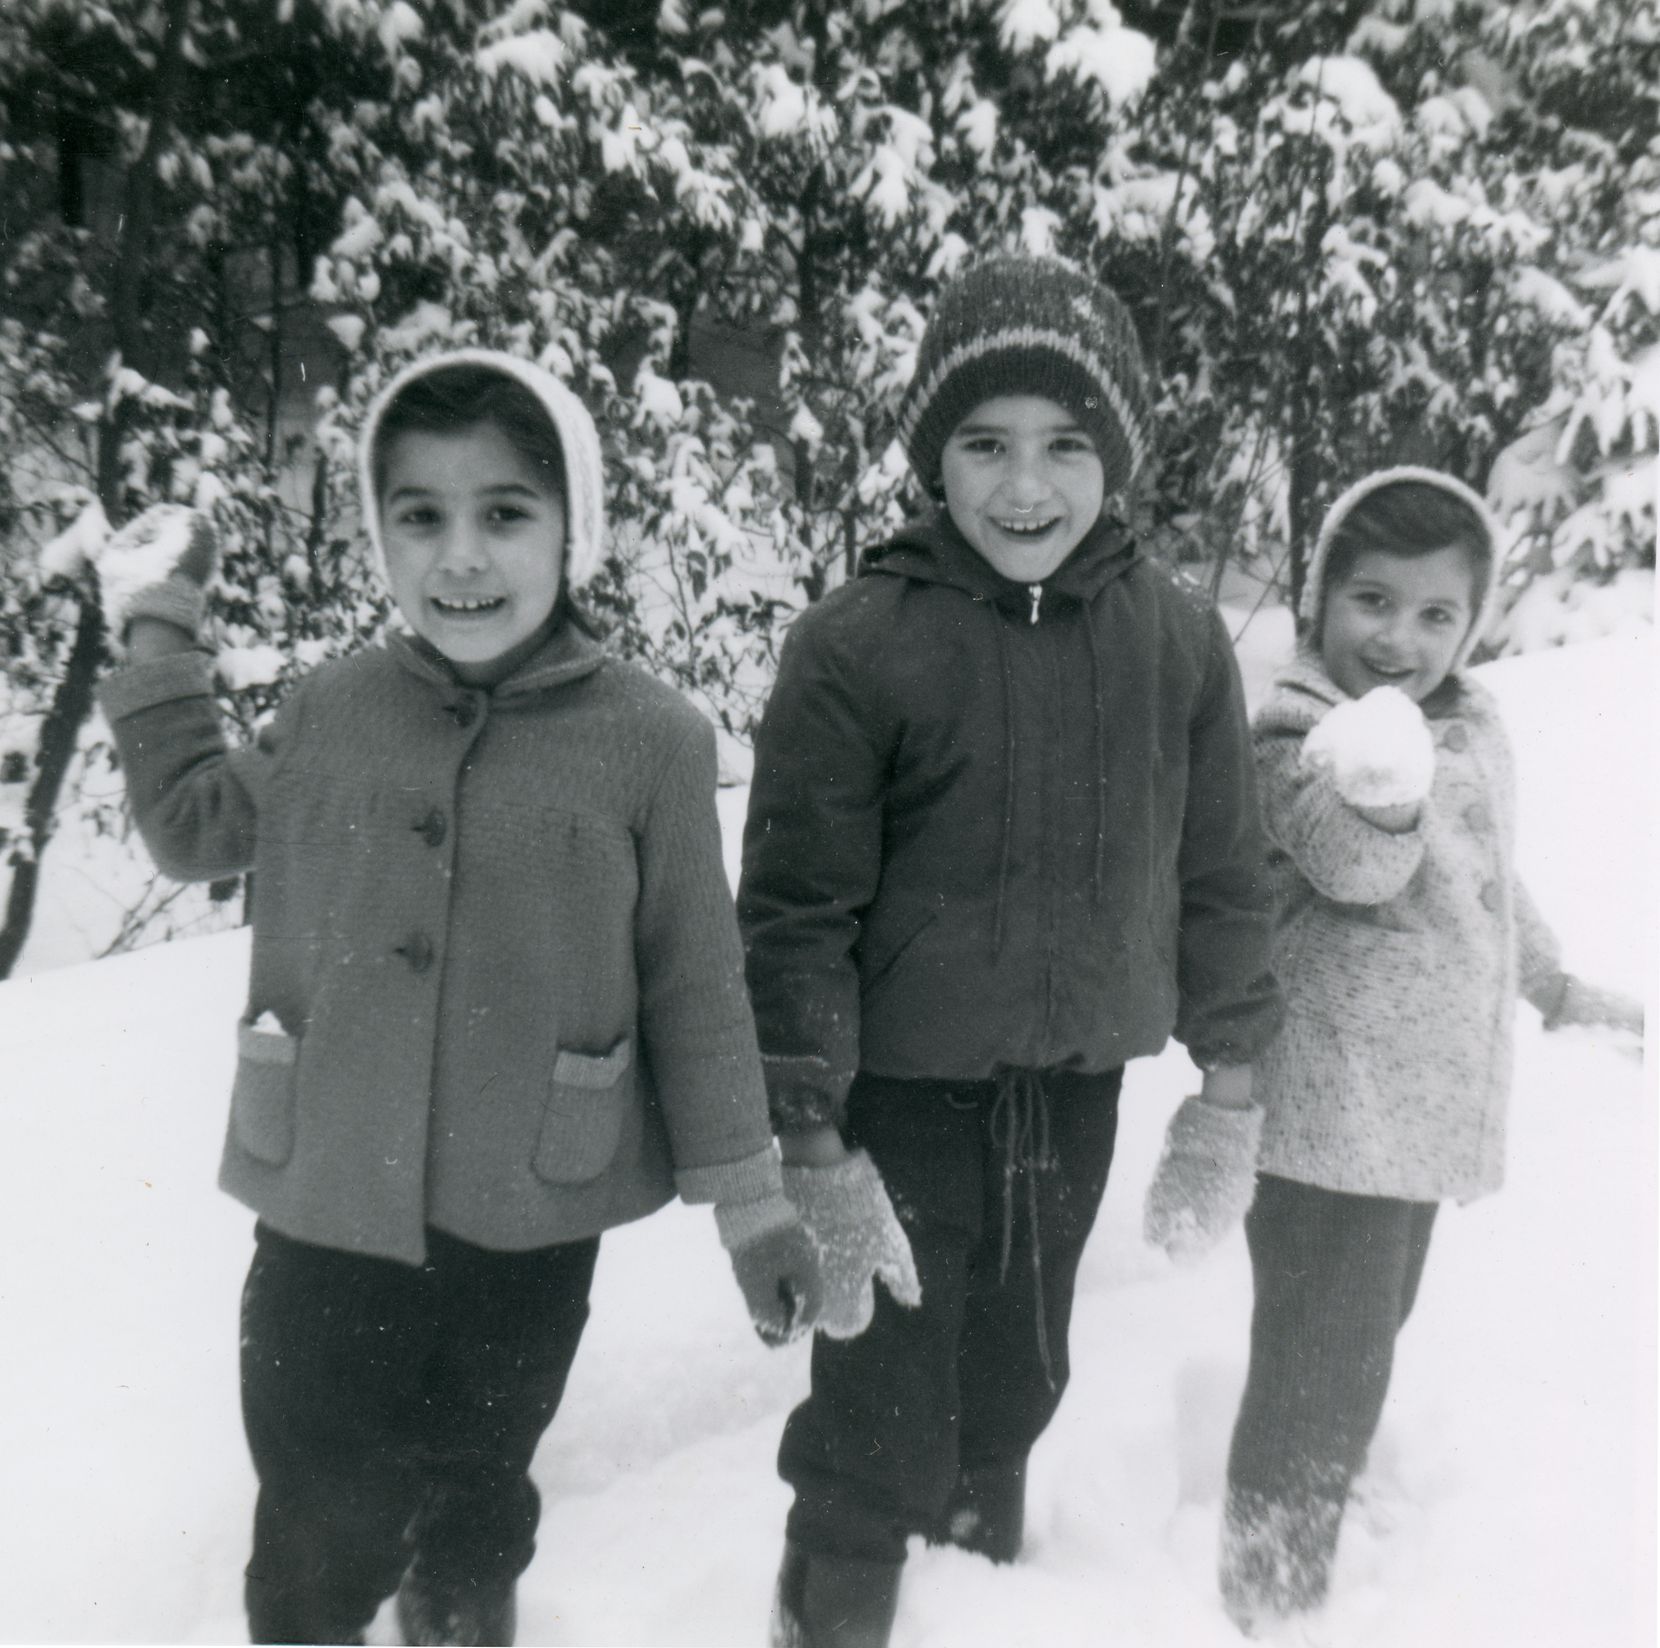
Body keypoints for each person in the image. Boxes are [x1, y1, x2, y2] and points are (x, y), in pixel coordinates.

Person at [89, 348, 823, 1646]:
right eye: (419, 515)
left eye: (504, 513)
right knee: (316, 1502)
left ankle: (458, 1612)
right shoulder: (330, 712)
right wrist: (158, 629)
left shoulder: (651, 742)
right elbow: (197, 824)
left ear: (571, 529)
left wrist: (753, 1207)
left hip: (532, 1222)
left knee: (480, 1481)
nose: (460, 556)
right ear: (380, 533)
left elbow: (697, 990)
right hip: (326, 1207)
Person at [738, 253, 1284, 1647]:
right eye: (985, 444)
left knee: (1021, 1372)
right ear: (935, 458)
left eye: (1065, 444)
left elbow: (1222, 874)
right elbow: (795, 908)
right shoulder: (857, 646)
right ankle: (837, 1609)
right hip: (899, 1108)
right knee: (882, 1392)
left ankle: (984, 1592)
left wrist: (1232, 1090)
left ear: (1121, 456)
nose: (1025, 486)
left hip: (1077, 1091)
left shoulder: (1176, 643)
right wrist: (806, 1136)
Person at [1145, 466, 1645, 1635]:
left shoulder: (1463, 721)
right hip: (1328, 1128)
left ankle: (1304, 1507)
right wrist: (1381, 784)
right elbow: (1351, 862)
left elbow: (1486, 878)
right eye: (1372, 601)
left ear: (1471, 624)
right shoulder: (1296, 737)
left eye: (1436, 615)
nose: (1399, 638)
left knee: (1359, 1346)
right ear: (1318, 601)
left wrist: (1555, 981)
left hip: (1410, 1128)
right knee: (1317, 1370)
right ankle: (1268, 1591)